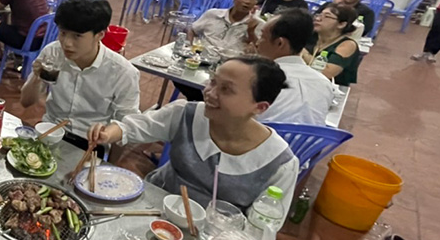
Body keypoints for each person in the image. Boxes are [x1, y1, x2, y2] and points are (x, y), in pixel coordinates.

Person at [88, 56, 299, 212]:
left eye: (226, 90)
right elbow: (136, 126)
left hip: (213, 238)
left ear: (260, 107)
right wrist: (110, 133)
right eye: (213, 81)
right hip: (154, 206)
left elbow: (262, 227)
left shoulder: (280, 163)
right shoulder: (186, 113)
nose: (210, 93)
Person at [20, 0, 140, 151]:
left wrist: (108, 161)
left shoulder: (122, 72)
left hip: (91, 143)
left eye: (77, 36)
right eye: (63, 33)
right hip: (51, 132)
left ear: (100, 35)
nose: (67, 43)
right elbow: (26, 102)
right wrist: (36, 77)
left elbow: (127, 125)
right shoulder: (53, 53)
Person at [255, 10, 334, 126]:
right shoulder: (324, 83)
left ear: (280, 43)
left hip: (262, 141)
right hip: (306, 144)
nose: (257, 43)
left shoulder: (259, 77)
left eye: (262, 37)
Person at [190, 0, 266, 55]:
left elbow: (261, 52)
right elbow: (192, 30)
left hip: (232, 65)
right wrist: (189, 48)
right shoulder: (213, 14)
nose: (248, 1)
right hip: (202, 58)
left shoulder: (259, 24)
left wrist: (251, 32)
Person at [302, 2, 361, 86]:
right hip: (304, 81)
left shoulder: (347, 45)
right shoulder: (311, 34)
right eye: (319, 15)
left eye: (327, 16)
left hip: (329, 88)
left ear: (341, 24)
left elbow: (327, 73)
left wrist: (302, 52)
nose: (318, 19)